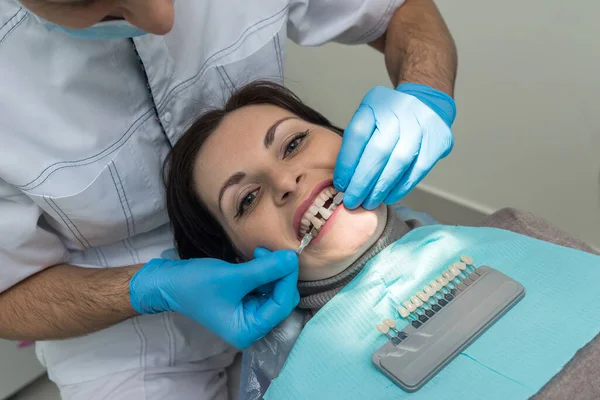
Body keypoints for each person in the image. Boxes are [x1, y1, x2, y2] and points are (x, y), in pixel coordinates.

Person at [0, 1, 458, 398]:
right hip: (121, 337)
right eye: (246, 199)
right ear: (234, 253)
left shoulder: (505, 238)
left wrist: (425, 93)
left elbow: (397, 8)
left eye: (293, 143)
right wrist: (152, 288)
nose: (161, 17)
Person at [164, 80, 600, 399]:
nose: (286, 180)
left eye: (294, 143)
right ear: (237, 263)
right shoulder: (299, 389)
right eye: (247, 199)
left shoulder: (516, 228)